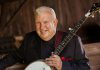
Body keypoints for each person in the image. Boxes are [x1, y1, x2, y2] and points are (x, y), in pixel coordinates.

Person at [0, 6, 90, 70]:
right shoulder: (29, 39)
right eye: (38, 23)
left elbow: (85, 68)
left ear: (55, 23)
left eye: (46, 22)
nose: (42, 27)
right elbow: (14, 56)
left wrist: (63, 66)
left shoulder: (73, 41)